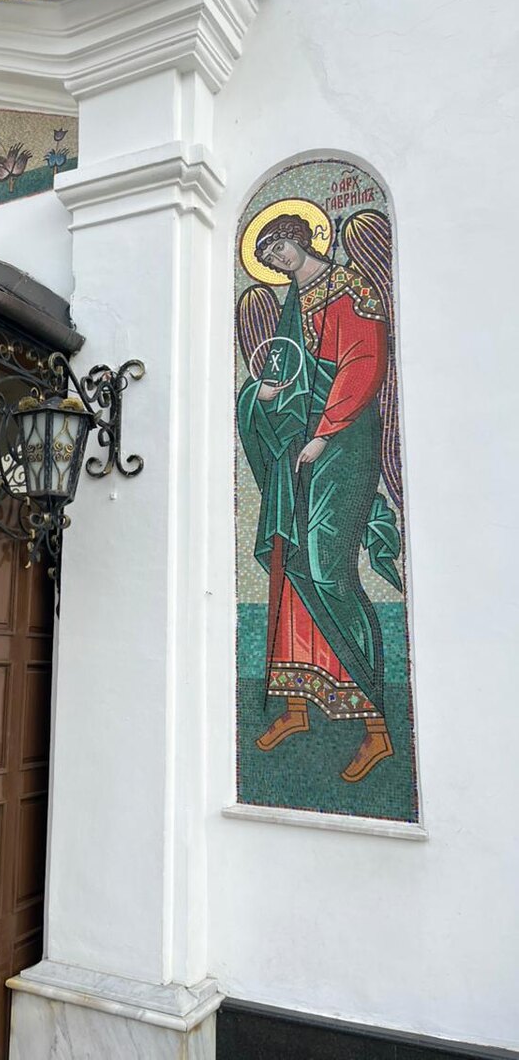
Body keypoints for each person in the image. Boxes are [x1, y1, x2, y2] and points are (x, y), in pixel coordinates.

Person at [237, 213, 394, 782]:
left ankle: (376, 727)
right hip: (296, 451)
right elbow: (285, 376)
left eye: (278, 243)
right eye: (266, 253)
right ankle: (297, 706)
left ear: (300, 237)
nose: (276, 256)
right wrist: (261, 394)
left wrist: (325, 432)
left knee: (328, 571)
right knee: (289, 566)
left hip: (343, 445)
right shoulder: (290, 304)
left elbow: (364, 364)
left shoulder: (352, 287)